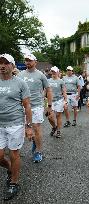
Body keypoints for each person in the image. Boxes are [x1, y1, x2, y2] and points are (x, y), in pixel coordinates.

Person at [0, 54, 33, 200]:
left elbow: (27, 106)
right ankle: (9, 169)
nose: (2, 65)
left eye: (6, 63)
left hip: (15, 124)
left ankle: (14, 182)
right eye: (0, 63)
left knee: (14, 154)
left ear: (12, 66)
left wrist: (29, 126)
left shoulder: (20, 83)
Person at [18, 53, 52, 163]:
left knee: (36, 128)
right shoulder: (20, 75)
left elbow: (49, 90)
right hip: (23, 106)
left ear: (35, 62)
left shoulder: (41, 75)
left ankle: (38, 151)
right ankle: (34, 141)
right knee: (27, 130)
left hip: (37, 105)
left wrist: (49, 106)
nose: (28, 62)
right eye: (26, 60)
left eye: (30, 60)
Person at [47, 66, 67, 138]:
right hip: (50, 101)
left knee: (58, 116)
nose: (53, 73)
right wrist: (42, 97)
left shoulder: (61, 81)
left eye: (55, 71)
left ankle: (58, 131)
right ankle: (54, 127)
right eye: (52, 71)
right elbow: (45, 90)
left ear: (58, 72)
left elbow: (64, 92)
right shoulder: (48, 81)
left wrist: (65, 102)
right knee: (49, 117)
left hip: (59, 100)